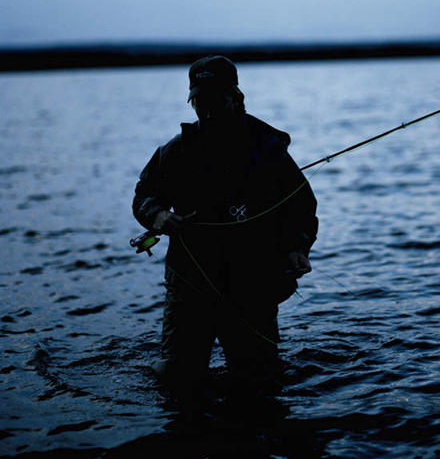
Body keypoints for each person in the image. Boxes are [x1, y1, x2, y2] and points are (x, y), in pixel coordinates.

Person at [132, 55, 318, 388]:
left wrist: (296, 248)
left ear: (236, 97)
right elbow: (145, 196)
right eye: (199, 99)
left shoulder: (268, 149)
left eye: (216, 98)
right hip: (191, 281)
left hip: (252, 280)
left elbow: (301, 206)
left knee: (259, 381)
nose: (208, 108)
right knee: (178, 379)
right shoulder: (174, 153)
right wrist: (159, 216)